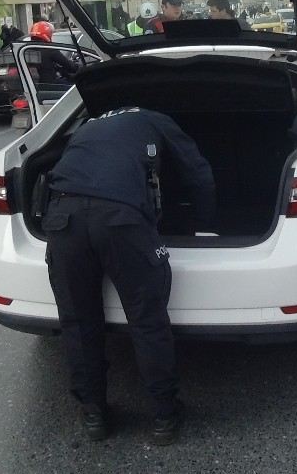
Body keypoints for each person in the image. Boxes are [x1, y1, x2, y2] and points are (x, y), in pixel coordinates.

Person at [44, 106, 215, 443]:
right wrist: (207, 228)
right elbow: (198, 171)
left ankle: (94, 415)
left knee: (78, 323)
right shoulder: (156, 119)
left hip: (63, 220)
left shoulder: (87, 125)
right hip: (120, 219)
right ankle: (164, 417)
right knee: (147, 320)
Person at [28, 21, 77, 87]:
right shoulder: (49, 49)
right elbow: (67, 64)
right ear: (48, 33)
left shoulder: (26, 49)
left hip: (33, 86)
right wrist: (76, 67)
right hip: (50, 85)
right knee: (75, 87)